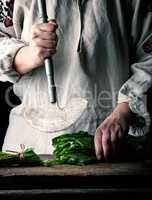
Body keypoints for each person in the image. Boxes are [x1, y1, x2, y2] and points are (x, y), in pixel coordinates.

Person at [0, 0, 152, 160]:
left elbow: (149, 58)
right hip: (29, 148)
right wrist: (27, 55)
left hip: (112, 147)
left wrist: (124, 112)